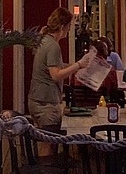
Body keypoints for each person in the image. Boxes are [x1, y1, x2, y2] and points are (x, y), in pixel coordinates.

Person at [28, 7, 89, 135]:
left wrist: (74, 66)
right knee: (49, 143)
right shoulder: (53, 46)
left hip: (36, 99)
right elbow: (55, 75)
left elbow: (52, 66)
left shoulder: (43, 40)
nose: (70, 29)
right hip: (47, 103)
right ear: (62, 26)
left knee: (45, 140)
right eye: (69, 25)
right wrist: (78, 65)